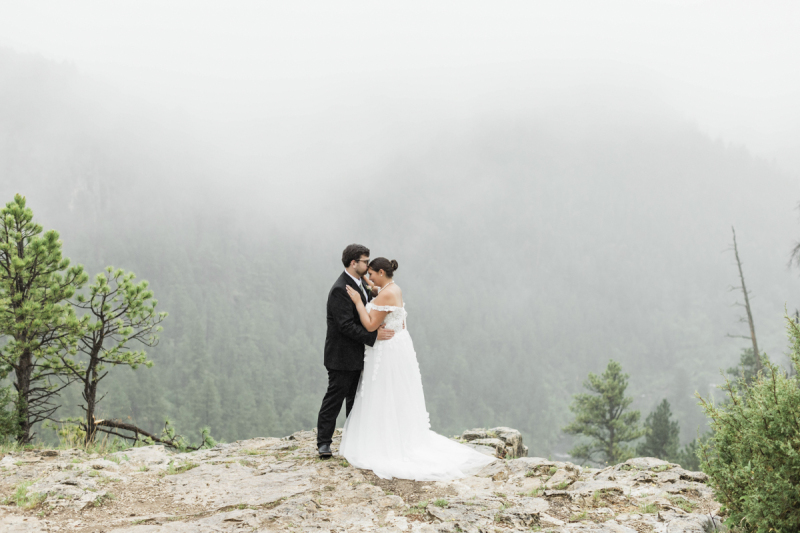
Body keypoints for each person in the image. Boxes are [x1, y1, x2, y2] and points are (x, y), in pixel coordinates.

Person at [339, 257, 496, 481]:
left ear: (381, 272)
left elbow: (371, 325)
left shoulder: (385, 294)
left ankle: (385, 441)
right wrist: (366, 279)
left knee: (385, 392)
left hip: (387, 350)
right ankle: (396, 435)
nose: (369, 278)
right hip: (397, 346)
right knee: (394, 393)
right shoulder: (392, 288)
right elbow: (380, 295)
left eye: (372, 274)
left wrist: (357, 301)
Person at [316, 244, 395, 458]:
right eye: (365, 261)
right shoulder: (340, 289)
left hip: (360, 355)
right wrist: (373, 336)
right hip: (341, 356)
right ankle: (323, 442)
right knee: (335, 398)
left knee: (355, 400)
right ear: (354, 263)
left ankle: (353, 442)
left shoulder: (360, 284)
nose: (368, 265)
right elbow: (345, 326)